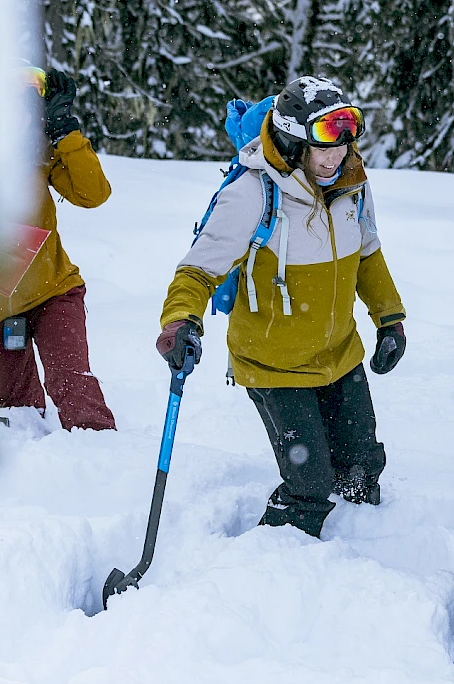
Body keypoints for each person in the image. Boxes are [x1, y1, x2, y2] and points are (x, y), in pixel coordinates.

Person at [155, 76, 407, 538]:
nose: (339, 153)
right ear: (293, 141)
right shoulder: (253, 193)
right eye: (326, 142)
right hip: (274, 364)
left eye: (347, 136)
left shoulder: (352, 184)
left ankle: (367, 557)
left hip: (339, 355)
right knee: (309, 485)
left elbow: (367, 253)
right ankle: (269, 568)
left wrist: (389, 319)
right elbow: (198, 269)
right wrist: (180, 322)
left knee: (362, 471)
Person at [0, 67, 116, 431]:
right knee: (21, 415)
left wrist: (66, 131)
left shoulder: (41, 146)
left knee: (76, 392)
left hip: (53, 290)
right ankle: (34, 482)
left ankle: (102, 468)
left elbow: (93, 194)